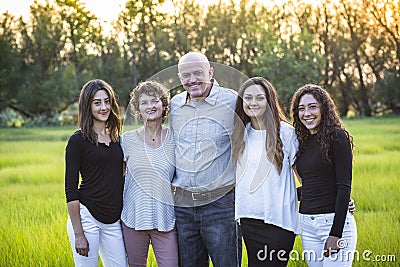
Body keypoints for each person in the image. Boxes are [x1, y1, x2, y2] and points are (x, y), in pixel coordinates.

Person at [169, 51, 240, 267]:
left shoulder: (233, 101)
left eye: (198, 73)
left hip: (221, 204)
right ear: (180, 78)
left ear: (210, 72)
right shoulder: (174, 105)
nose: (192, 80)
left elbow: (260, 137)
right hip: (183, 206)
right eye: (186, 75)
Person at [231, 77, 300, 266]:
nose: (253, 103)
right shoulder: (240, 133)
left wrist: (334, 199)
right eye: (248, 98)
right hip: (249, 217)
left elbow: (304, 176)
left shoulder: (286, 133)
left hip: (278, 220)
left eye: (259, 98)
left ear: (269, 101)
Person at [290, 84, 357, 266]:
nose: (307, 113)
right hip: (308, 226)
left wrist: (336, 234)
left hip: (332, 224)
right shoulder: (301, 141)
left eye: (312, 106)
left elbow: (343, 187)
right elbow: (313, 186)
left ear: (323, 108)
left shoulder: (337, 137)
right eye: (301, 109)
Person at [64, 79, 127, 267]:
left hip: (113, 220)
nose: (104, 107)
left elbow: (121, 177)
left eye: (107, 101)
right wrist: (78, 233)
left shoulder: (118, 139)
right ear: (87, 105)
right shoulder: (78, 141)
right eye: (97, 103)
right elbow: (70, 188)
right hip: (87, 218)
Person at [120, 81, 178, 267]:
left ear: (164, 105)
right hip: (133, 218)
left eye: (155, 101)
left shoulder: (175, 139)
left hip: (166, 219)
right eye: (144, 102)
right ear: (138, 108)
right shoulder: (126, 140)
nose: (150, 106)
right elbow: (117, 178)